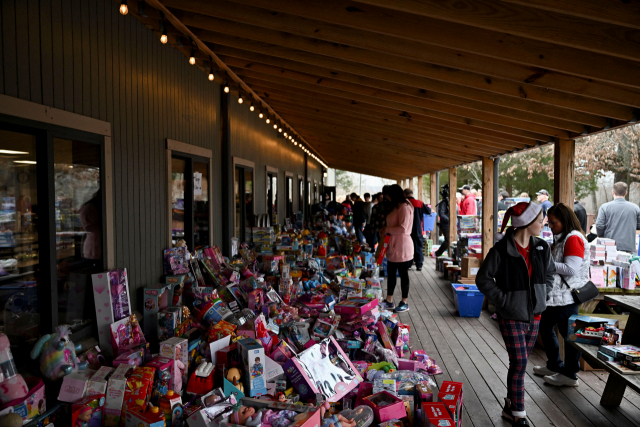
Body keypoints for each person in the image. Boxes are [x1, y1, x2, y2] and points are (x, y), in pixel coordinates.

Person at [475, 202, 555, 426]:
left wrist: (543, 294)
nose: (543, 222)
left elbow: (550, 275)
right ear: (527, 223)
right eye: (540, 219)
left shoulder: (542, 247)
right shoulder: (501, 251)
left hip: (535, 315)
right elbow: (483, 279)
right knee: (520, 362)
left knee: (518, 363)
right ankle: (519, 412)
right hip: (511, 315)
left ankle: (510, 405)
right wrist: (504, 301)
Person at [533, 203, 589, 387]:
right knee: (549, 328)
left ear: (564, 221)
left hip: (566, 297)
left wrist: (546, 262)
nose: (550, 226)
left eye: (553, 223)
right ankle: (555, 365)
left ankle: (570, 374)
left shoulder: (573, 239)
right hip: (559, 296)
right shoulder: (563, 238)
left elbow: (571, 269)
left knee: (570, 335)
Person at [381, 184, 414, 313]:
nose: (387, 198)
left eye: (388, 195)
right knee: (391, 274)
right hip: (393, 245)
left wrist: (387, 230)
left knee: (403, 274)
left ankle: (404, 302)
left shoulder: (405, 207)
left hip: (402, 246)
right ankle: (389, 300)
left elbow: (403, 228)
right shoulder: (397, 206)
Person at [596, 182, 640, 253]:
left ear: (613, 192)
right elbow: (638, 226)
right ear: (626, 193)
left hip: (609, 247)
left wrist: (600, 236)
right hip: (629, 247)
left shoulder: (604, 207)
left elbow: (599, 225)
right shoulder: (635, 208)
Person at [404, 188, 431, 271]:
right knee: (418, 247)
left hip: (406, 230)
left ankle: (408, 264)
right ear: (412, 194)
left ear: (405, 194)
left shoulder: (404, 203)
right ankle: (419, 265)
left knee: (408, 248)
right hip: (418, 229)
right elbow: (428, 211)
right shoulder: (419, 203)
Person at [435, 185, 450, 258]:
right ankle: (438, 253)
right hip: (446, 225)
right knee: (448, 240)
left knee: (450, 240)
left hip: (450, 224)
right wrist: (449, 220)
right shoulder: (444, 203)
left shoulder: (449, 202)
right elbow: (441, 213)